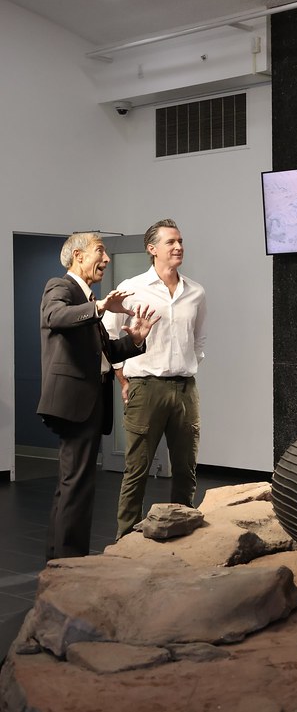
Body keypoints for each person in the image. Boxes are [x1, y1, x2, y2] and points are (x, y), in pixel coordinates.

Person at [38, 232, 159, 560]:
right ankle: (68, 564)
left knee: (74, 486)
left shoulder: (86, 297)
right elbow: (53, 317)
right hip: (75, 402)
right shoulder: (61, 287)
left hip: (88, 403)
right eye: (100, 251)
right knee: (75, 486)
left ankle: (62, 561)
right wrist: (100, 306)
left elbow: (103, 354)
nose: (106, 259)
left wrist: (135, 340)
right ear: (78, 256)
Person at [103, 219, 207, 539]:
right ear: (152, 249)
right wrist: (123, 380)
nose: (178, 247)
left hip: (186, 389)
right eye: (171, 242)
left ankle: (182, 530)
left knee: (186, 469)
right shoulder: (131, 289)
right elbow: (107, 338)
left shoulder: (196, 292)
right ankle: (125, 540)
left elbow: (198, 340)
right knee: (137, 470)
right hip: (145, 388)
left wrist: (189, 365)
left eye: (180, 241)